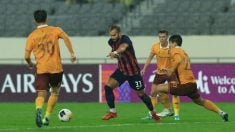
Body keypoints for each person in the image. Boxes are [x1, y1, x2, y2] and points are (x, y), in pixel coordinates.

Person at [155, 34, 229, 122]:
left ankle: (167, 110)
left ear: (174, 43)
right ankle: (221, 112)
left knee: (158, 88)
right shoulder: (184, 52)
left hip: (184, 84)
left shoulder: (175, 50)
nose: (169, 46)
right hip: (192, 84)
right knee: (200, 101)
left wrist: (171, 70)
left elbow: (178, 60)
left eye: (170, 43)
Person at [24, 9, 76, 128]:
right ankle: (46, 117)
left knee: (41, 94)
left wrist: (30, 63)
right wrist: (72, 53)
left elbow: (26, 56)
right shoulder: (56, 30)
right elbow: (66, 38)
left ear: (34, 21)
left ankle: (38, 109)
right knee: (55, 92)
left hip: (42, 69)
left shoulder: (32, 36)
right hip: (56, 69)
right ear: (47, 19)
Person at [102, 25, 160, 122]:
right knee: (108, 87)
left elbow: (123, 48)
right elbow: (119, 55)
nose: (112, 37)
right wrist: (114, 55)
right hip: (122, 71)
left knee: (141, 94)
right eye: (111, 35)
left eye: (114, 35)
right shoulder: (111, 42)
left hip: (134, 73)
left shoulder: (126, 39)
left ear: (119, 34)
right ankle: (112, 112)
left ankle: (153, 113)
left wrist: (115, 52)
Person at [141, 30, 180, 120]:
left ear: (167, 37)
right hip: (159, 73)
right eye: (160, 37)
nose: (162, 38)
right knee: (153, 93)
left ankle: (177, 115)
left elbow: (177, 60)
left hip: (170, 73)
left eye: (163, 37)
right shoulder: (155, 46)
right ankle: (152, 114)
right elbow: (149, 58)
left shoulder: (172, 47)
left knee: (175, 93)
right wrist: (144, 69)